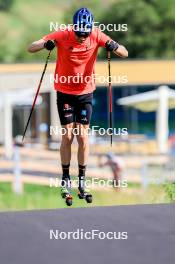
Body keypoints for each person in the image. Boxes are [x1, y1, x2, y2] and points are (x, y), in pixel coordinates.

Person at [27, 7, 128, 202]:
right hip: (64, 92)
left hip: (85, 93)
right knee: (68, 136)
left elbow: (124, 52)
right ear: (74, 28)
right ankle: (66, 178)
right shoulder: (63, 33)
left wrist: (113, 46)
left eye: (86, 33)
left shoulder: (96, 35)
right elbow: (31, 47)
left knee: (83, 136)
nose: (82, 37)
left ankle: (82, 180)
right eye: (79, 33)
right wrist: (45, 44)